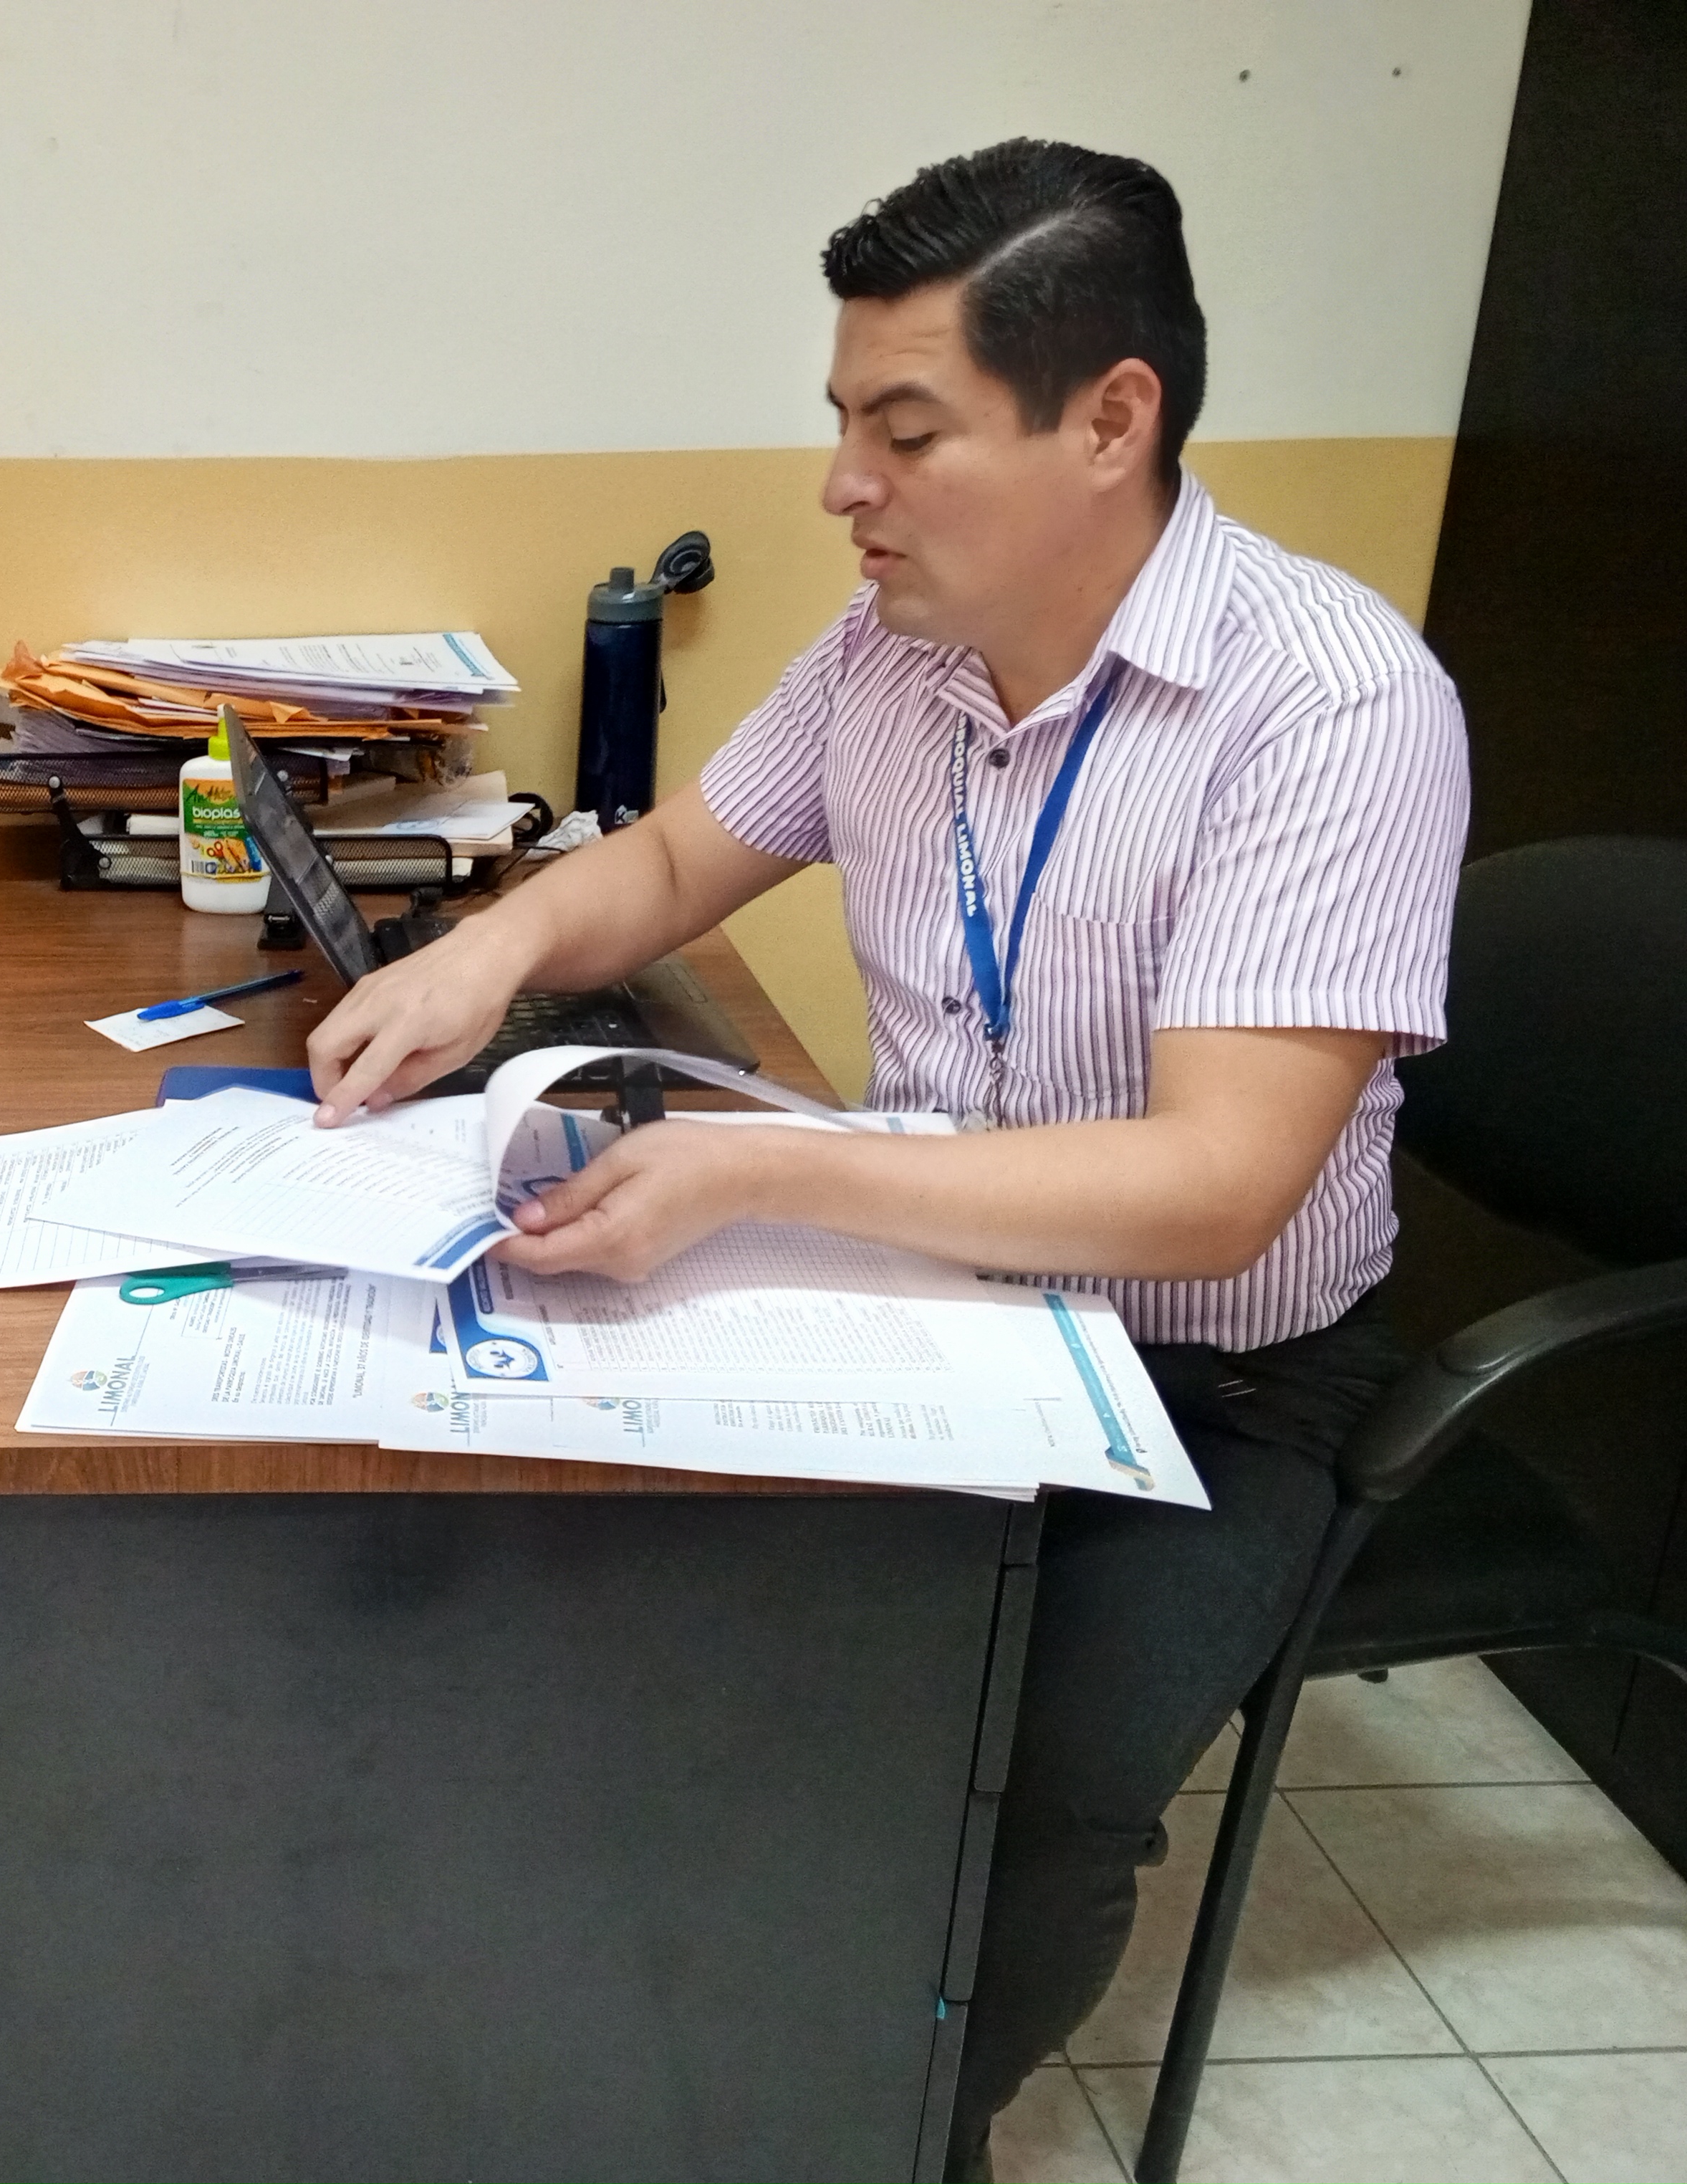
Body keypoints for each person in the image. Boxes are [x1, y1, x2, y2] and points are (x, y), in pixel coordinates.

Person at [309, 141, 1466, 2179]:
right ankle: (640, 2054)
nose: (844, 485)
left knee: (1021, 1803)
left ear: (1110, 419)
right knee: (628, 1630)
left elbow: (1216, 1189)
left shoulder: (1331, 703)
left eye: (906, 432)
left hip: (1211, 1378)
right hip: (933, 1296)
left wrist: (766, 1171)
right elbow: (679, 859)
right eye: (844, 421)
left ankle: (880, 2134)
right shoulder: (892, 653)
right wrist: (488, 949)